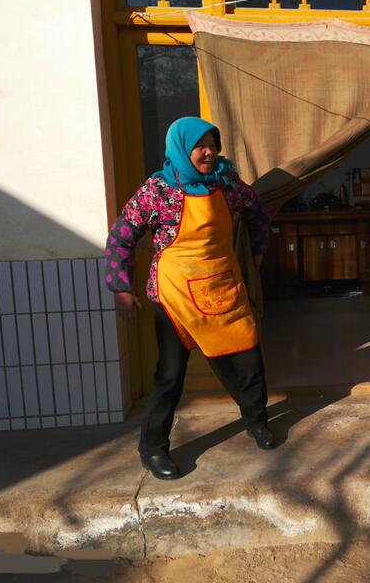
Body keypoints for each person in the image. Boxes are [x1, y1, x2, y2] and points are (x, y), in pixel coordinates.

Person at [105, 117, 275, 480]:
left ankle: (257, 421)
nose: (209, 153)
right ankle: (153, 449)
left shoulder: (227, 183)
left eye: (213, 145)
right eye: (201, 146)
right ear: (182, 148)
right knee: (170, 375)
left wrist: (257, 254)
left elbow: (257, 212)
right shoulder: (157, 191)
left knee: (248, 359)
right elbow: (121, 236)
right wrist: (121, 288)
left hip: (224, 287)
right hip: (176, 296)